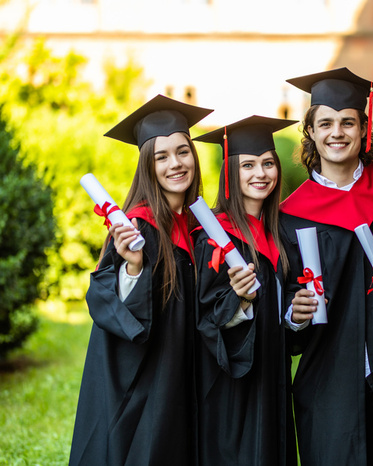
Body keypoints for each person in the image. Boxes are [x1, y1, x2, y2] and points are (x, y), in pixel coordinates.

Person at [279, 67, 373, 465]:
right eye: (325, 124)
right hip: (326, 383)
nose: (336, 132)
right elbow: (287, 298)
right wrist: (295, 313)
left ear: (363, 129)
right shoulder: (291, 215)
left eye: (346, 122)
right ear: (312, 133)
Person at [70, 95, 212, 465]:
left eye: (183, 152)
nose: (176, 164)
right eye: (161, 157)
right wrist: (133, 268)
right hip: (147, 380)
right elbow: (107, 303)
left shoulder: (201, 227)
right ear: (147, 168)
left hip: (187, 376)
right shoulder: (137, 228)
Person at [191, 116, 297, 465]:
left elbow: (283, 315)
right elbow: (205, 316)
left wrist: (296, 315)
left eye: (268, 163)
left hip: (272, 375)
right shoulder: (214, 238)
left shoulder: (280, 237)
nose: (260, 173)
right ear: (230, 174)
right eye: (248, 165)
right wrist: (240, 301)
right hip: (230, 381)